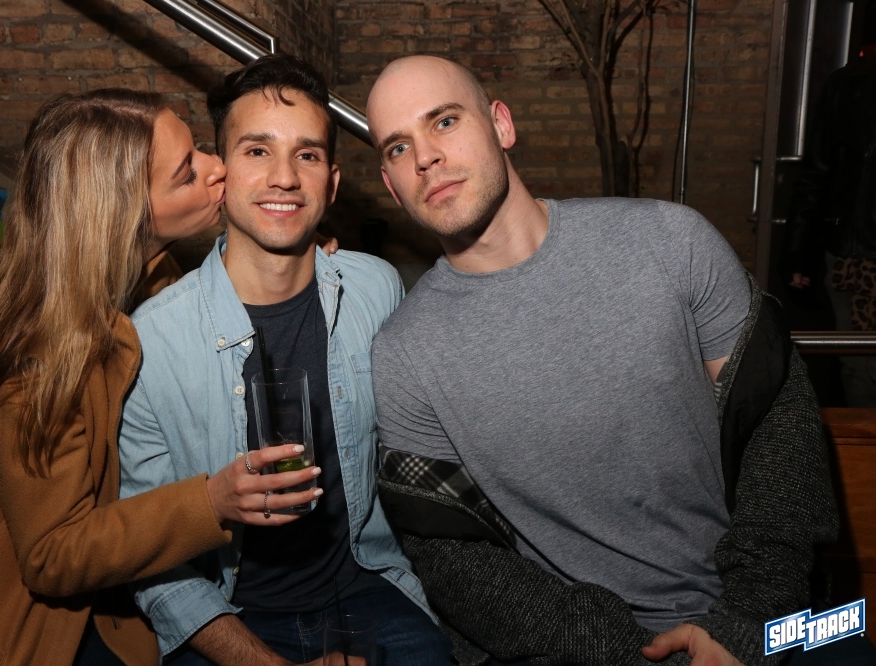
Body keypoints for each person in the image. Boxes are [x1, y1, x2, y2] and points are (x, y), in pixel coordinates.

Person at [365, 55, 843, 666]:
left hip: (780, 621)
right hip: (579, 650)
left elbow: (778, 427)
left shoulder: (672, 242)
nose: (425, 157)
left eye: (445, 121)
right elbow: (450, 555)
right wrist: (622, 653)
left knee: (849, 635)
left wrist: (749, 624)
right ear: (390, 183)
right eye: (398, 147)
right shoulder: (404, 352)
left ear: (501, 124)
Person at [0, 89, 323, 666]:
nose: (218, 168)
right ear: (123, 216)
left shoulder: (145, 276)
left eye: (198, 150)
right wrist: (210, 501)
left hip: (104, 600)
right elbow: (52, 555)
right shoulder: (34, 354)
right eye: (187, 173)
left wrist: (299, 255)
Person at [117, 54, 452, 666]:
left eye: (307, 155)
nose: (284, 178)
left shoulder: (376, 290)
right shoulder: (153, 341)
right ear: (221, 174)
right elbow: (154, 560)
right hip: (225, 613)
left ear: (332, 182)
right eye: (257, 150)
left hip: (367, 588)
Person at [781, 2, 876, 407]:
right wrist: (799, 253)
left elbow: (817, 174)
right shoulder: (847, 85)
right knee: (857, 366)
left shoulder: (847, 84)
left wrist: (799, 254)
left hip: (854, 251)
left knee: (860, 366)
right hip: (853, 252)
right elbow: (818, 173)